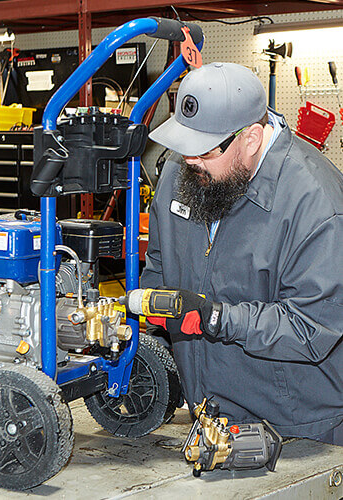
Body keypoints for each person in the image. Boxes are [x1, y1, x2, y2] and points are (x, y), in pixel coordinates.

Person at [142, 62, 343, 445]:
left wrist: (215, 317)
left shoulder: (318, 204)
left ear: (251, 138)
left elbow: (312, 327)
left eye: (203, 148)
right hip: (208, 418)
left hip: (297, 430)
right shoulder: (182, 173)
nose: (189, 160)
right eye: (182, 145)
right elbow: (159, 268)